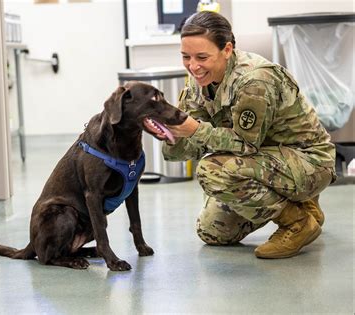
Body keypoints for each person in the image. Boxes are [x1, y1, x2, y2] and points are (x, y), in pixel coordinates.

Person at [144, 11, 336, 259]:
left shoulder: (255, 79)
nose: (193, 66)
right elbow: (185, 149)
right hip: (263, 163)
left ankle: (298, 223)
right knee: (212, 232)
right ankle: (301, 203)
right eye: (186, 57)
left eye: (202, 57)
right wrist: (171, 135)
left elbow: (244, 144)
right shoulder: (200, 79)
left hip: (309, 161)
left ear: (227, 49)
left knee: (212, 170)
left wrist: (195, 130)